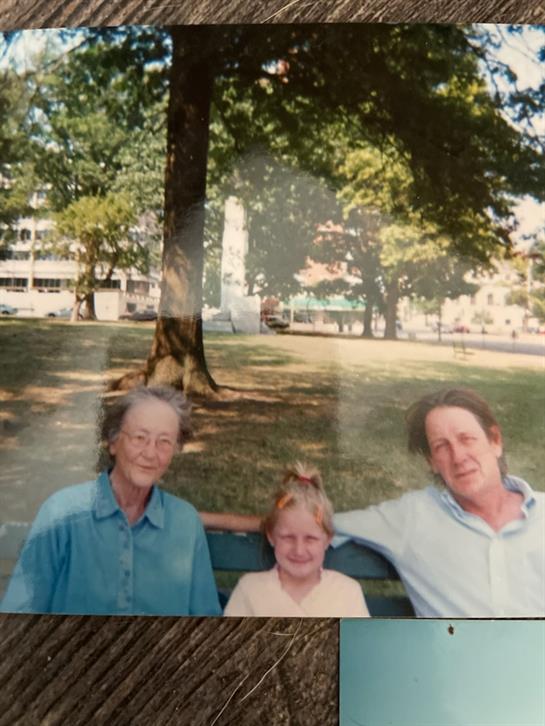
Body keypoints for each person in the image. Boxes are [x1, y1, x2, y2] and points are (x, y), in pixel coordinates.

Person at [203, 388, 545, 618]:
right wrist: (193, 517)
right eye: (441, 446)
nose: (458, 456)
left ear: (495, 440)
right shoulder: (410, 519)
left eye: (467, 439)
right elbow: (307, 521)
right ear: (431, 462)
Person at [1, 385, 221, 616]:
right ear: (113, 442)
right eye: (139, 438)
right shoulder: (62, 513)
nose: (150, 453)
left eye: (164, 442)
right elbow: (19, 615)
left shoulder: (185, 522)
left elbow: (206, 620)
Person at [224, 463, 369, 617]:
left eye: (310, 539)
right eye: (288, 537)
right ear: (271, 536)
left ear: (327, 540)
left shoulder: (347, 593)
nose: (299, 550)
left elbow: (362, 641)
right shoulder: (250, 590)